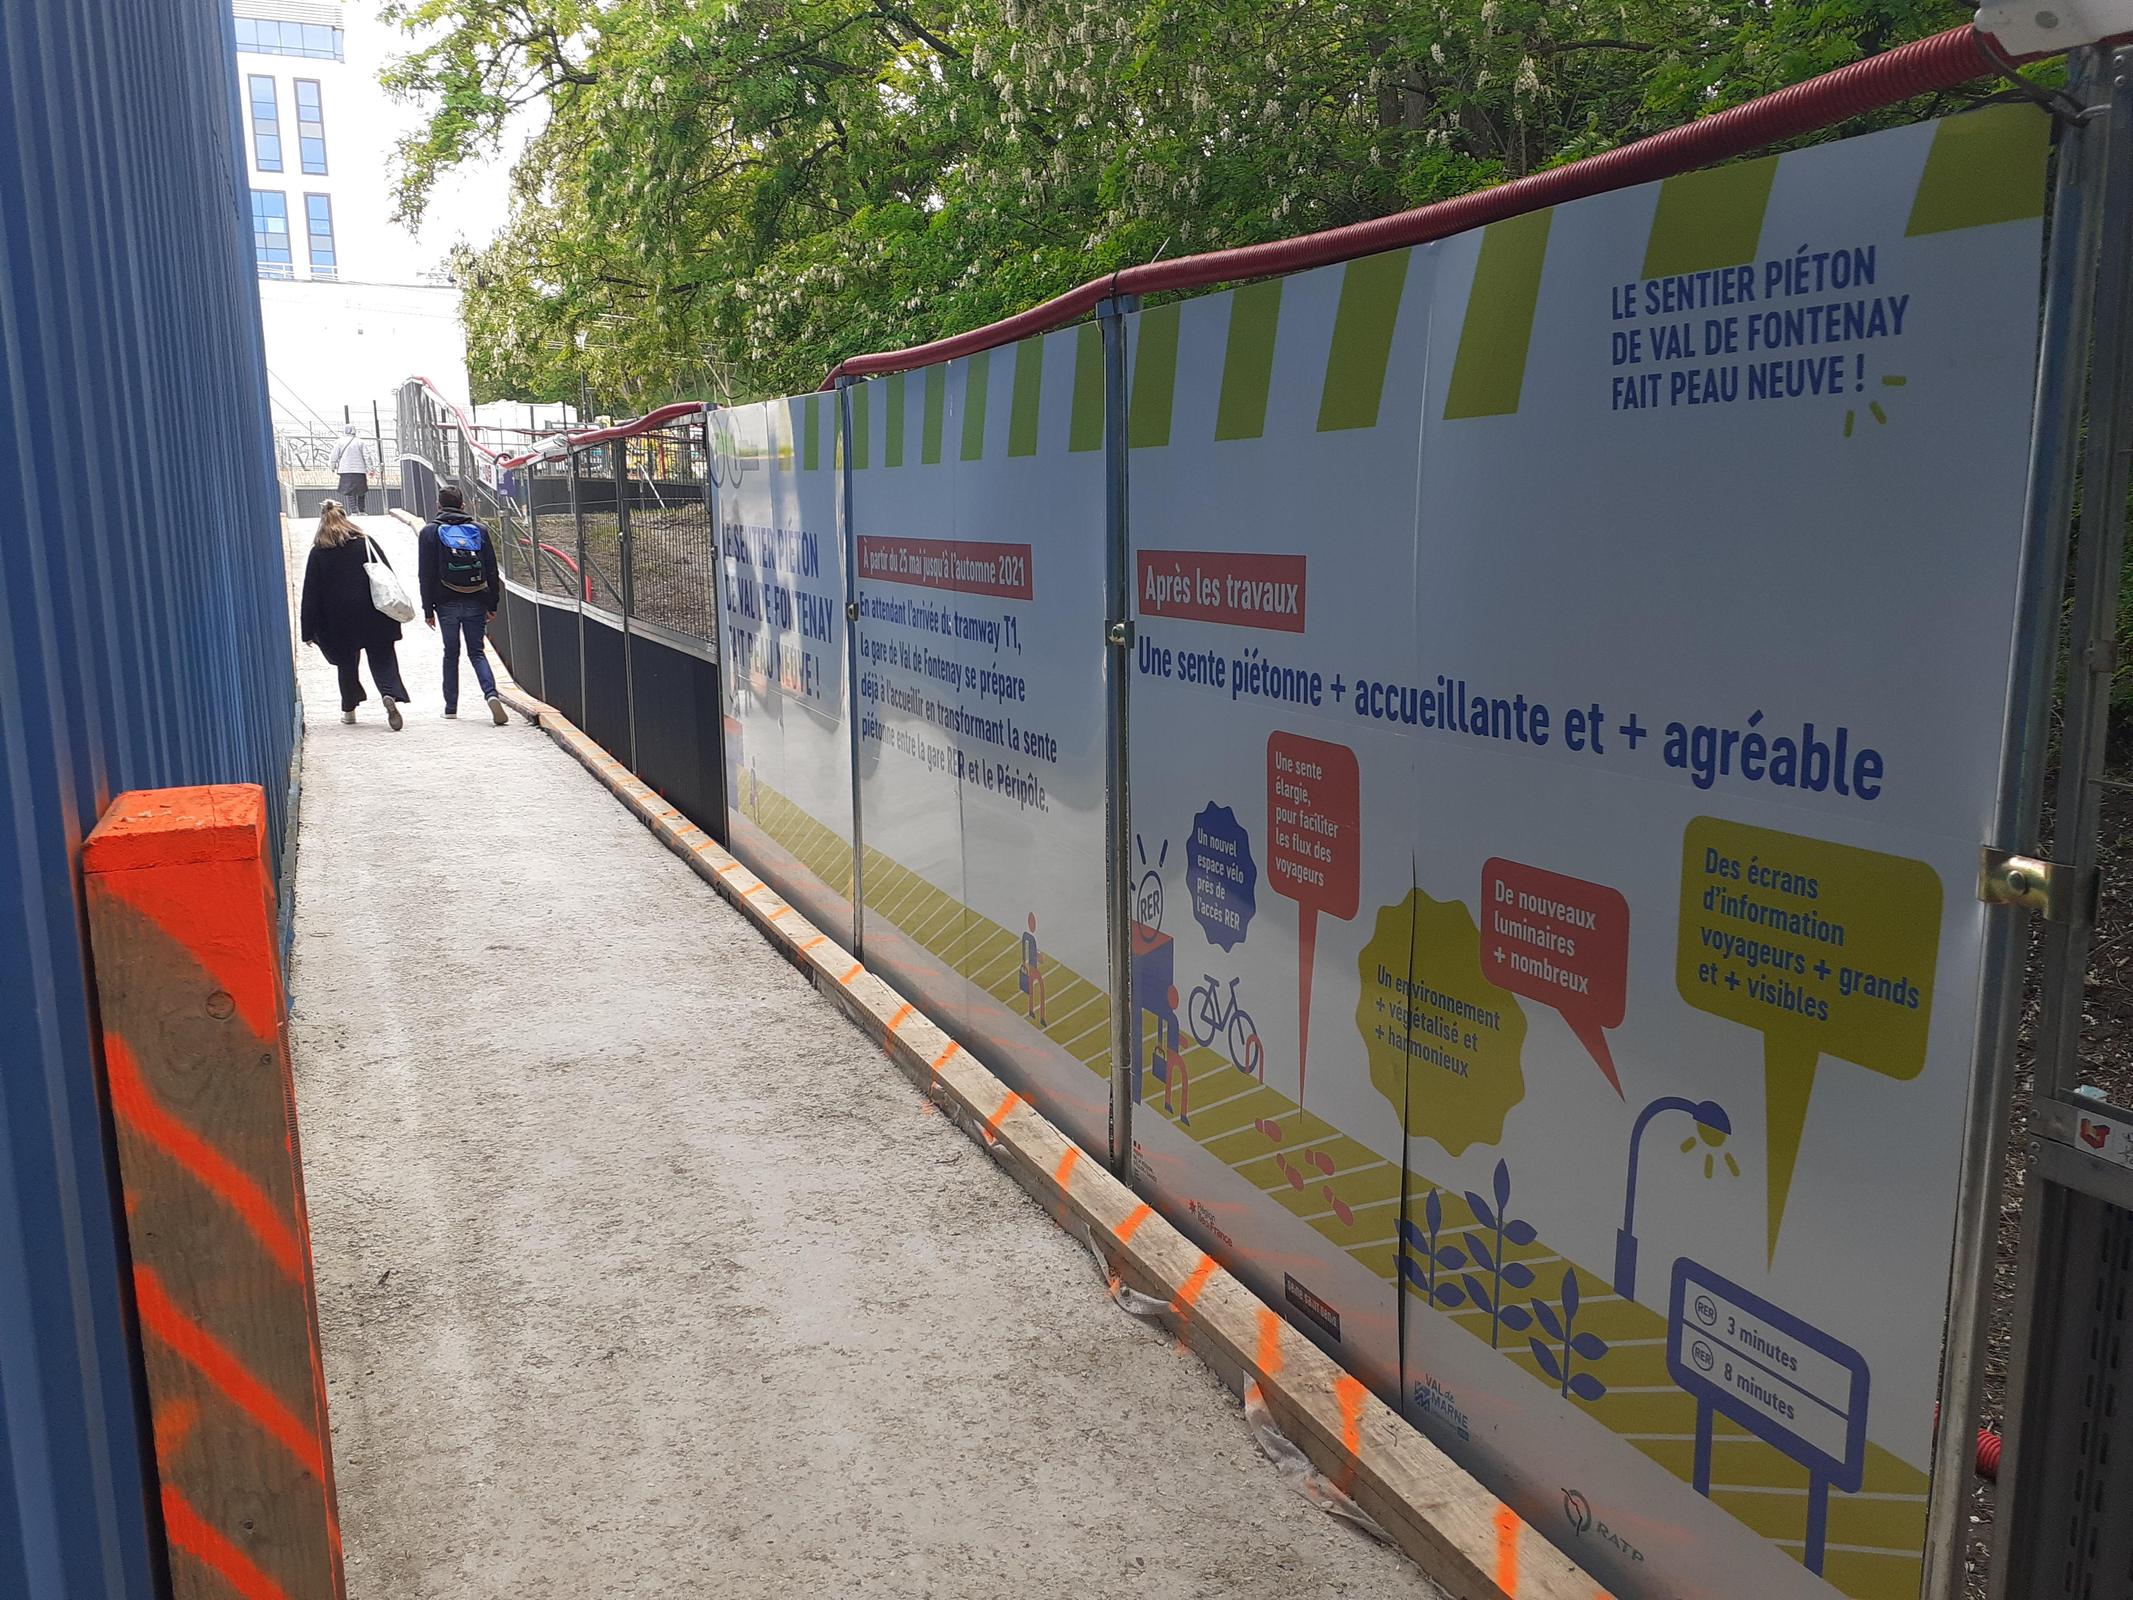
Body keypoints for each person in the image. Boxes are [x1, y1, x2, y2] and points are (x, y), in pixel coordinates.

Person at [300, 500, 409, 729]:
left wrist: (308, 629)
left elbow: (311, 593)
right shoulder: (365, 543)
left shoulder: (318, 552)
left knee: (346, 663)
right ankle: (388, 693)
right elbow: (386, 574)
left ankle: (349, 710)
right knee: (383, 656)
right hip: (374, 612)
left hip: (339, 619)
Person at [417, 485, 506, 724]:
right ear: (463, 505)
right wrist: (492, 604)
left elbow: (425, 574)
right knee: (476, 652)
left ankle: (451, 707)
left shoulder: (429, 532)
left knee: (451, 653)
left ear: (438, 506)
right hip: (476, 599)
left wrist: (427, 609)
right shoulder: (479, 530)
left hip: (445, 603)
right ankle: (491, 694)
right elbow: (491, 570)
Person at [329, 424, 374, 513]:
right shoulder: (360, 442)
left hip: (345, 470)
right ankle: (362, 510)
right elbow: (367, 456)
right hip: (360, 470)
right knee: (361, 490)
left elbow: (334, 455)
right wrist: (370, 469)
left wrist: (332, 466)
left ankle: (353, 510)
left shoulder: (339, 442)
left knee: (350, 491)